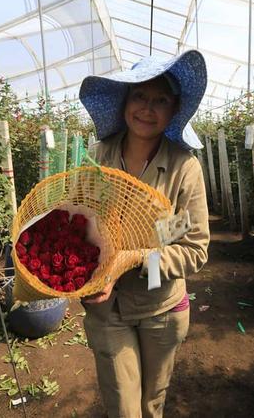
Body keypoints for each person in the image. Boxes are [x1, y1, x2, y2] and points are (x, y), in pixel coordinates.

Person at [78, 50, 210, 418]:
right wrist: (84, 274)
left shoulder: (184, 168)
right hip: (107, 307)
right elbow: (79, 222)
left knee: (152, 404)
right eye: (140, 96)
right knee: (123, 407)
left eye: (160, 100)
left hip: (161, 308)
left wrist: (135, 259)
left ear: (173, 111)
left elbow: (194, 247)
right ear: (124, 101)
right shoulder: (97, 156)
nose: (147, 108)